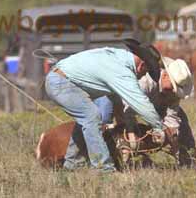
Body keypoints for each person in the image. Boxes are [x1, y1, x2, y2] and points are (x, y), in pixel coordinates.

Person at [44, 39, 174, 172]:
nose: (143, 76)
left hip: (60, 78)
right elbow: (140, 103)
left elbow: (115, 98)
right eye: (146, 72)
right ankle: (103, 168)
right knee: (91, 117)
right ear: (141, 66)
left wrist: (123, 121)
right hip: (61, 82)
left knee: (86, 118)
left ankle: (73, 164)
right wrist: (159, 127)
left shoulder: (117, 57)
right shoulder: (122, 72)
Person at [97, 56, 196, 167]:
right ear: (165, 76)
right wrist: (131, 132)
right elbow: (128, 110)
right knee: (103, 120)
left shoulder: (172, 93)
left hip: (145, 104)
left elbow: (172, 119)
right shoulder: (145, 82)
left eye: (177, 88)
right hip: (115, 96)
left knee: (181, 120)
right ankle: (102, 162)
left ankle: (188, 161)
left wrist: (173, 140)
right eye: (173, 86)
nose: (174, 91)